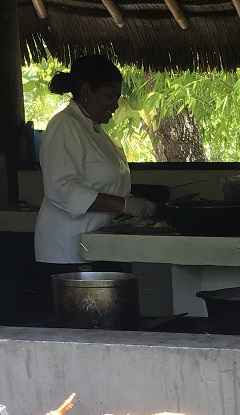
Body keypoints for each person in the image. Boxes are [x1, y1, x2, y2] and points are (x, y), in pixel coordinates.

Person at [32, 55, 155, 319]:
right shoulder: (65, 125)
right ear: (86, 91)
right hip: (68, 252)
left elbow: (103, 183)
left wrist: (125, 211)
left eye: (117, 98)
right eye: (109, 96)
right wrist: (124, 205)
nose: (114, 105)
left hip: (95, 244)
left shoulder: (93, 130)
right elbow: (61, 188)